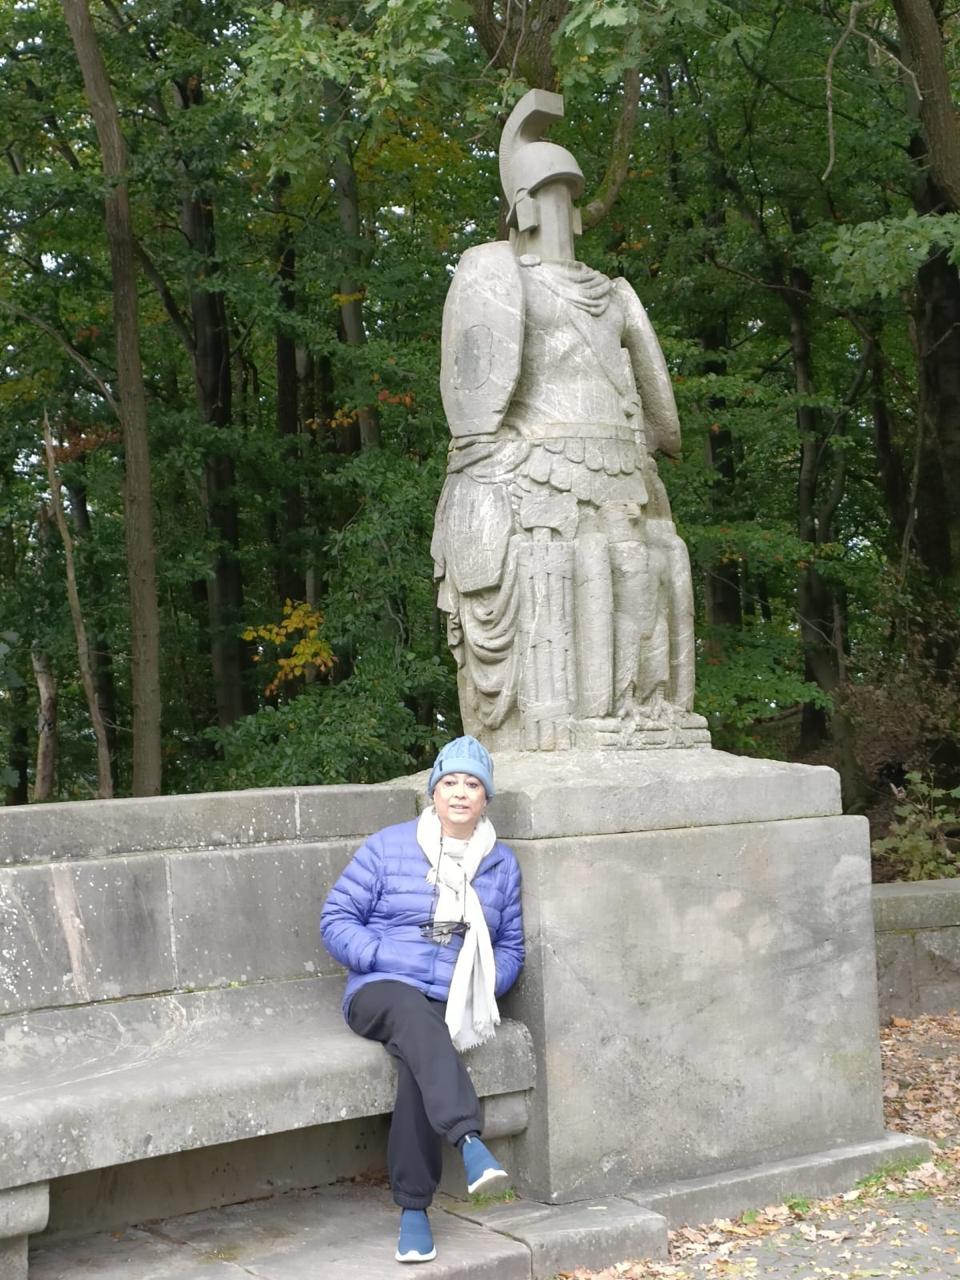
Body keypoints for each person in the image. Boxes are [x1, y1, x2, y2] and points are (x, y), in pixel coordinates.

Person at [320, 735, 524, 1264]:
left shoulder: (500, 865)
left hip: (449, 1002)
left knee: (419, 1061)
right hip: (379, 989)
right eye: (450, 782)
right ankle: (469, 1141)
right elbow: (335, 920)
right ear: (433, 793)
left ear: (486, 799)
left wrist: (480, 982)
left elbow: (511, 947)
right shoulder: (389, 846)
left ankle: (414, 1211)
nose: (460, 793)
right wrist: (381, 953)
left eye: (472, 785)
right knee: (413, 1017)